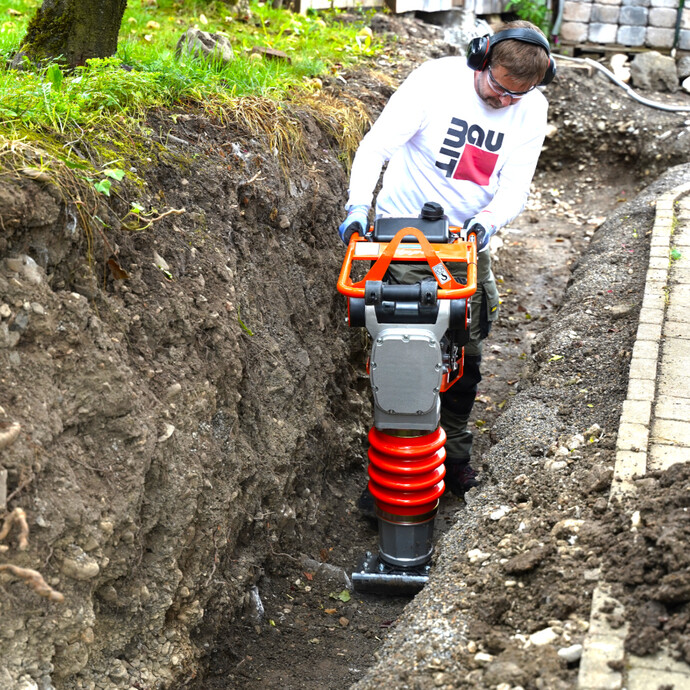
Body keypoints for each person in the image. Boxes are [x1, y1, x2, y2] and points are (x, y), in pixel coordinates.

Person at [338, 20, 555, 497]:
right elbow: (377, 146)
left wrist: (487, 224)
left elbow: (515, 186)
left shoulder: (530, 108)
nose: (505, 102)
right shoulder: (435, 82)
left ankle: (452, 455)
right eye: (498, 88)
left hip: (465, 243)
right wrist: (359, 206)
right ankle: (394, 469)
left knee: (468, 352)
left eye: (517, 95)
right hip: (404, 239)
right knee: (410, 355)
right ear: (481, 59)